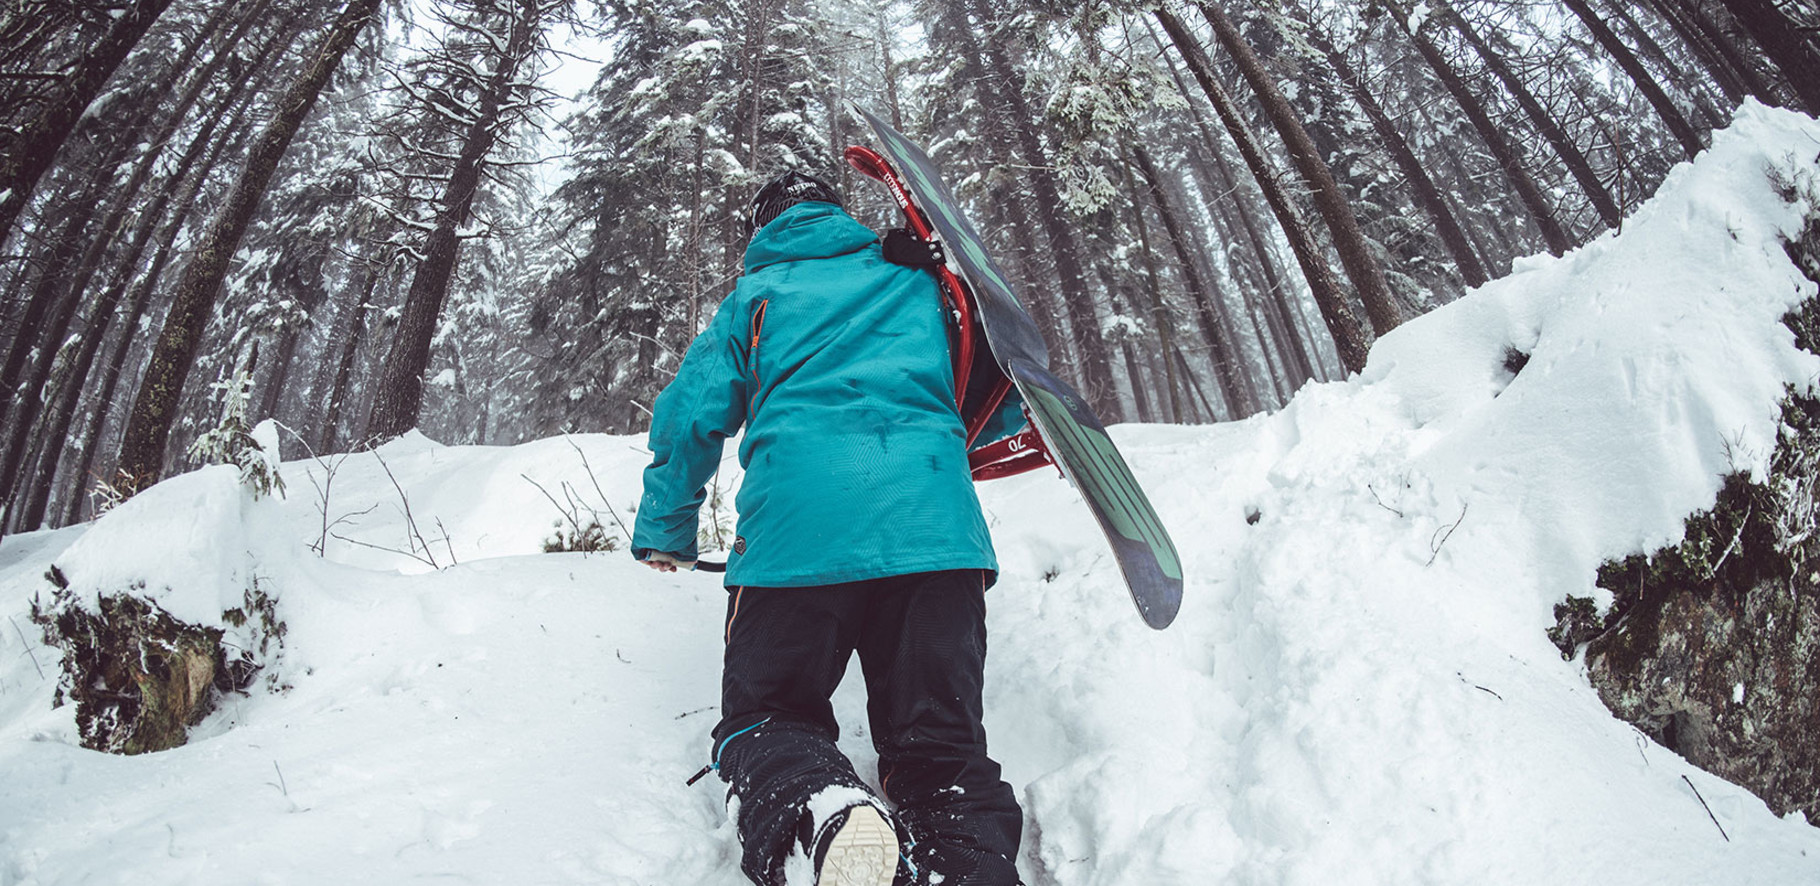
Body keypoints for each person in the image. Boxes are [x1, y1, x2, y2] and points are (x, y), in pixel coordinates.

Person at [631, 169, 1024, 886]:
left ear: (762, 229)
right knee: (942, 751)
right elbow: (992, 397)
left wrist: (667, 528)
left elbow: (690, 414)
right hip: (936, 538)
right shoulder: (920, 279)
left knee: (767, 717)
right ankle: (969, 869)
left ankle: (821, 812)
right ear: (839, 215)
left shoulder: (756, 296)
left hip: (797, 546)